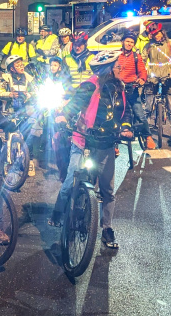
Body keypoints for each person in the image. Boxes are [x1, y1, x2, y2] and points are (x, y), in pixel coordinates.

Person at [48, 51, 132, 250]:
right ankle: (58, 213)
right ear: (108, 69)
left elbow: (124, 111)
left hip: (106, 144)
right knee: (69, 182)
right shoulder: (89, 85)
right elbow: (75, 104)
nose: (121, 69)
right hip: (83, 140)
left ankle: (107, 228)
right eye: (118, 66)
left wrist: (126, 127)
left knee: (107, 190)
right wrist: (63, 117)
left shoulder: (119, 87)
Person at [142, 21, 171, 143]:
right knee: (148, 107)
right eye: (154, 34)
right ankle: (145, 132)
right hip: (152, 78)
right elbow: (142, 59)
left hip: (168, 77)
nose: (156, 36)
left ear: (162, 32)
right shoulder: (148, 46)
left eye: (158, 33)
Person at [115, 32, 155, 150]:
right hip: (117, 90)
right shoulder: (116, 55)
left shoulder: (136, 57)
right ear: (122, 41)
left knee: (140, 114)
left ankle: (148, 137)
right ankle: (114, 143)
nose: (129, 44)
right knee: (115, 115)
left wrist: (142, 79)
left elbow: (142, 71)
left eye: (132, 42)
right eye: (127, 41)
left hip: (131, 89)